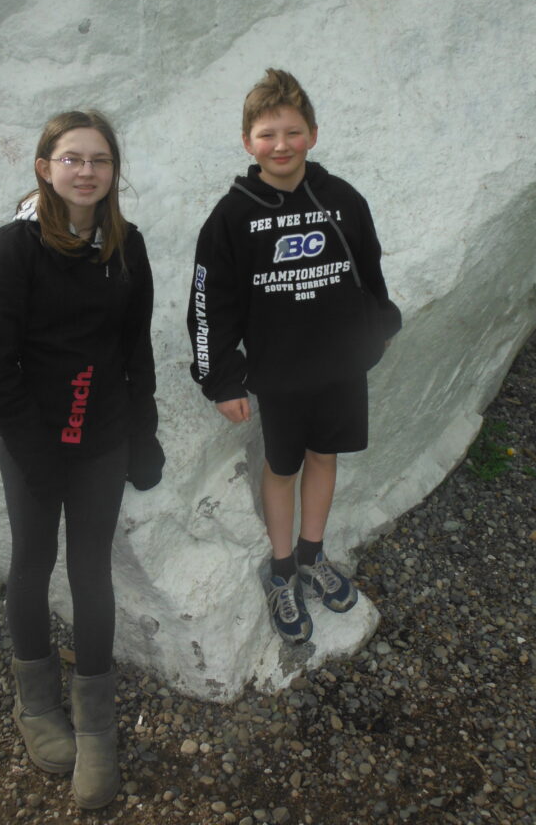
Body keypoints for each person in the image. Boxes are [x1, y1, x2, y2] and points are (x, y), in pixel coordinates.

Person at [0, 110, 164, 809]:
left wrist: (142, 434)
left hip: (103, 432)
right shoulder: (16, 248)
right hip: (34, 432)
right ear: (44, 167)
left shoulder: (127, 245)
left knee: (91, 571)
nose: (86, 171)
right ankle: (35, 705)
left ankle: (96, 728)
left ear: (114, 172)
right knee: (32, 562)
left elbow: (135, 350)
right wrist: (38, 457)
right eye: (71, 158)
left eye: (100, 160)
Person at [187, 69, 400, 644]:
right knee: (282, 469)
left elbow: (369, 271)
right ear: (247, 142)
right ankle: (282, 571)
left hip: (338, 368)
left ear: (312, 134)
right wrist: (221, 379)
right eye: (266, 134)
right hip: (280, 376)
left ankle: (312, 556)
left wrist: (379, 326)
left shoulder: (341, 199)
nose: (280, 145)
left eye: (292, 131)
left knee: (324, 457)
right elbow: (210, 305)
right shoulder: (232, 216)